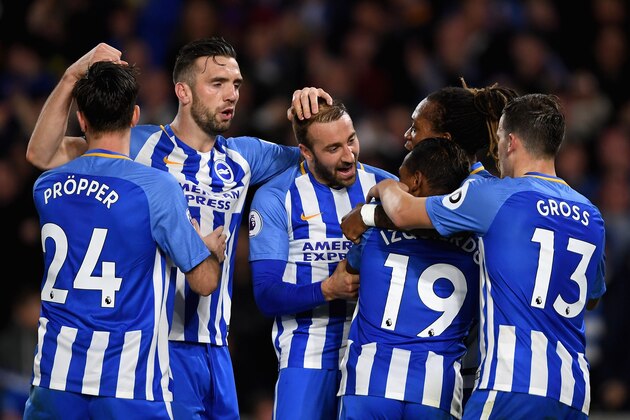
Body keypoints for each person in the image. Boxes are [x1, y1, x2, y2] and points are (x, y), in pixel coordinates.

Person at [25, 39, 329, 419]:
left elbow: (321, 162)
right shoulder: (136, 143)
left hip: (216, 347)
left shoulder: (246, 155)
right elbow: (42, 153)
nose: (231, 94)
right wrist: (71, 75)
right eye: (217, 83)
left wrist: (313, 117)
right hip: (155, 349)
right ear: (182, 91)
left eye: (236, 83)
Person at [342, 94, 606, 419]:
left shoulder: (495, 196)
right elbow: (591, 298)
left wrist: (382, 192)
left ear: (510, 142)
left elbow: (403, 211)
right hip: (574, 391)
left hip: (513, 382)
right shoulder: (591, 215)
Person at [24, 61, 225, 419]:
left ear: (82, 120)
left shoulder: (45, 188)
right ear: (135, 116)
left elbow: (40, 153)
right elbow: (205, 281)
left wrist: (71, 74)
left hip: (55, 377)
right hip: (128, 383)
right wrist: (204, 246)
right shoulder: (156, 189)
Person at [247, 98, 397, 419]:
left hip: (375, 353)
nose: (349, 156)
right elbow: (266, 295)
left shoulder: (387, 188)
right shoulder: (278, 197)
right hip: (308, 353)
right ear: (305, 152)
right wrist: (329, 289)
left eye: (351, 140)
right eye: (333, 149)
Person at [337, 137, 477, 420]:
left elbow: (348, 275)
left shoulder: (373, 233)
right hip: (437, 390)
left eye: (400, 178)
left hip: (370, 379)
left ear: (415, 180)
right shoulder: (480, 244)